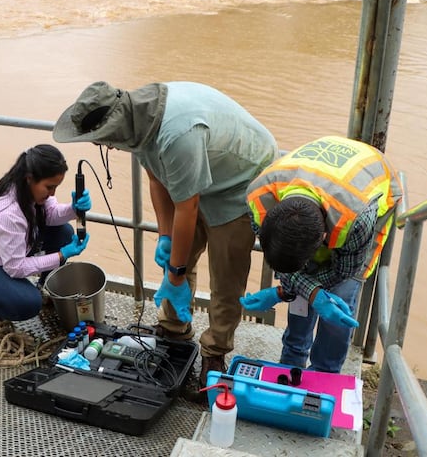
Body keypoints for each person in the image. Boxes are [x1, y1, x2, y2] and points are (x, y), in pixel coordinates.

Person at [53, 81, 279, 395]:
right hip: (200, 174)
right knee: (178, 253)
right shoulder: (139, 123)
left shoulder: (176, 134)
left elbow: (188, 207)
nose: (104, 147)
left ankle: (214, 353)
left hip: (240, 179)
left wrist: (175, 275)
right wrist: (164, 236)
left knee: (226, 276)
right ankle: (174, 329)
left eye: (101, 141)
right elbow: (157, 180)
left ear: (115, 128)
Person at [241, 135, 402, 373]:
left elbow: (343, 271)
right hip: (319, 176)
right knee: (302, 295)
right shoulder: (259, 198)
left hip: (368, 183)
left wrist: (302, 291)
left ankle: (325, 372)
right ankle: (292, 360)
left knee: (339, 303)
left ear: (323, 240)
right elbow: (287, 262)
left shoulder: (356, 219)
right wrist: (289, 289)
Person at [0, 144, 91, 324]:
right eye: (49, 187)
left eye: (56, 187)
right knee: (28, 304)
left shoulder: (30, 190)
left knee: (64, 232)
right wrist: (60, 255)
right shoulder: (8, 213)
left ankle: (44, 286)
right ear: (29, 179)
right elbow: (15, 267)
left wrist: (73, 209)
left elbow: (50, 215)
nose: (52, 193)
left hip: (8, 255)